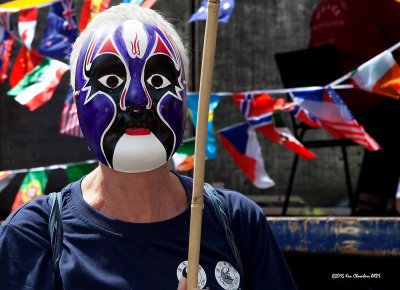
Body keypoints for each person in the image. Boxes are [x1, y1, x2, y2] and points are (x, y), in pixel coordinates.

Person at [0, 4, 297, 289]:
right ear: (78, 103)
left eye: (157, 79)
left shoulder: (237, 222)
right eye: (112, 80)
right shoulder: (33, 235)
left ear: (184, 99)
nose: (137, 99)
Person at [309, 0, 400, 216]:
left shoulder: (321, 8)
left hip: (324, 101)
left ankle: (372, 199)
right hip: (366, 94)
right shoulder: (377, 4)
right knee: (393, 117)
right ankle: (372, 199)